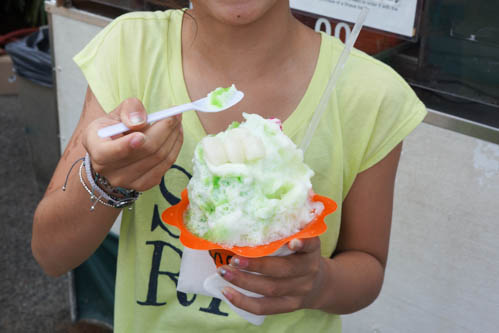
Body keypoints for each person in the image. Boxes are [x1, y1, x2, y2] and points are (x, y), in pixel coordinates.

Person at [32, 1, 427, 332]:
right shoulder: (131, 50)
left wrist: (318, 282)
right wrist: (106, 182)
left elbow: (367, 268)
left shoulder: (369, 94)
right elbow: (52, 254)